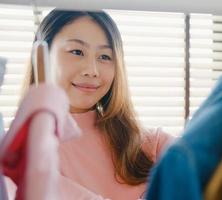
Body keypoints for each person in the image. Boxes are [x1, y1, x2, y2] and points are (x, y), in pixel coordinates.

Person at [20, 9, 175, 200]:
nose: (92, 71)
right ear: (41, 57)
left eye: (104, 57)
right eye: (77, 52)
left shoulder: (153, 144)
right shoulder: (27, 156)